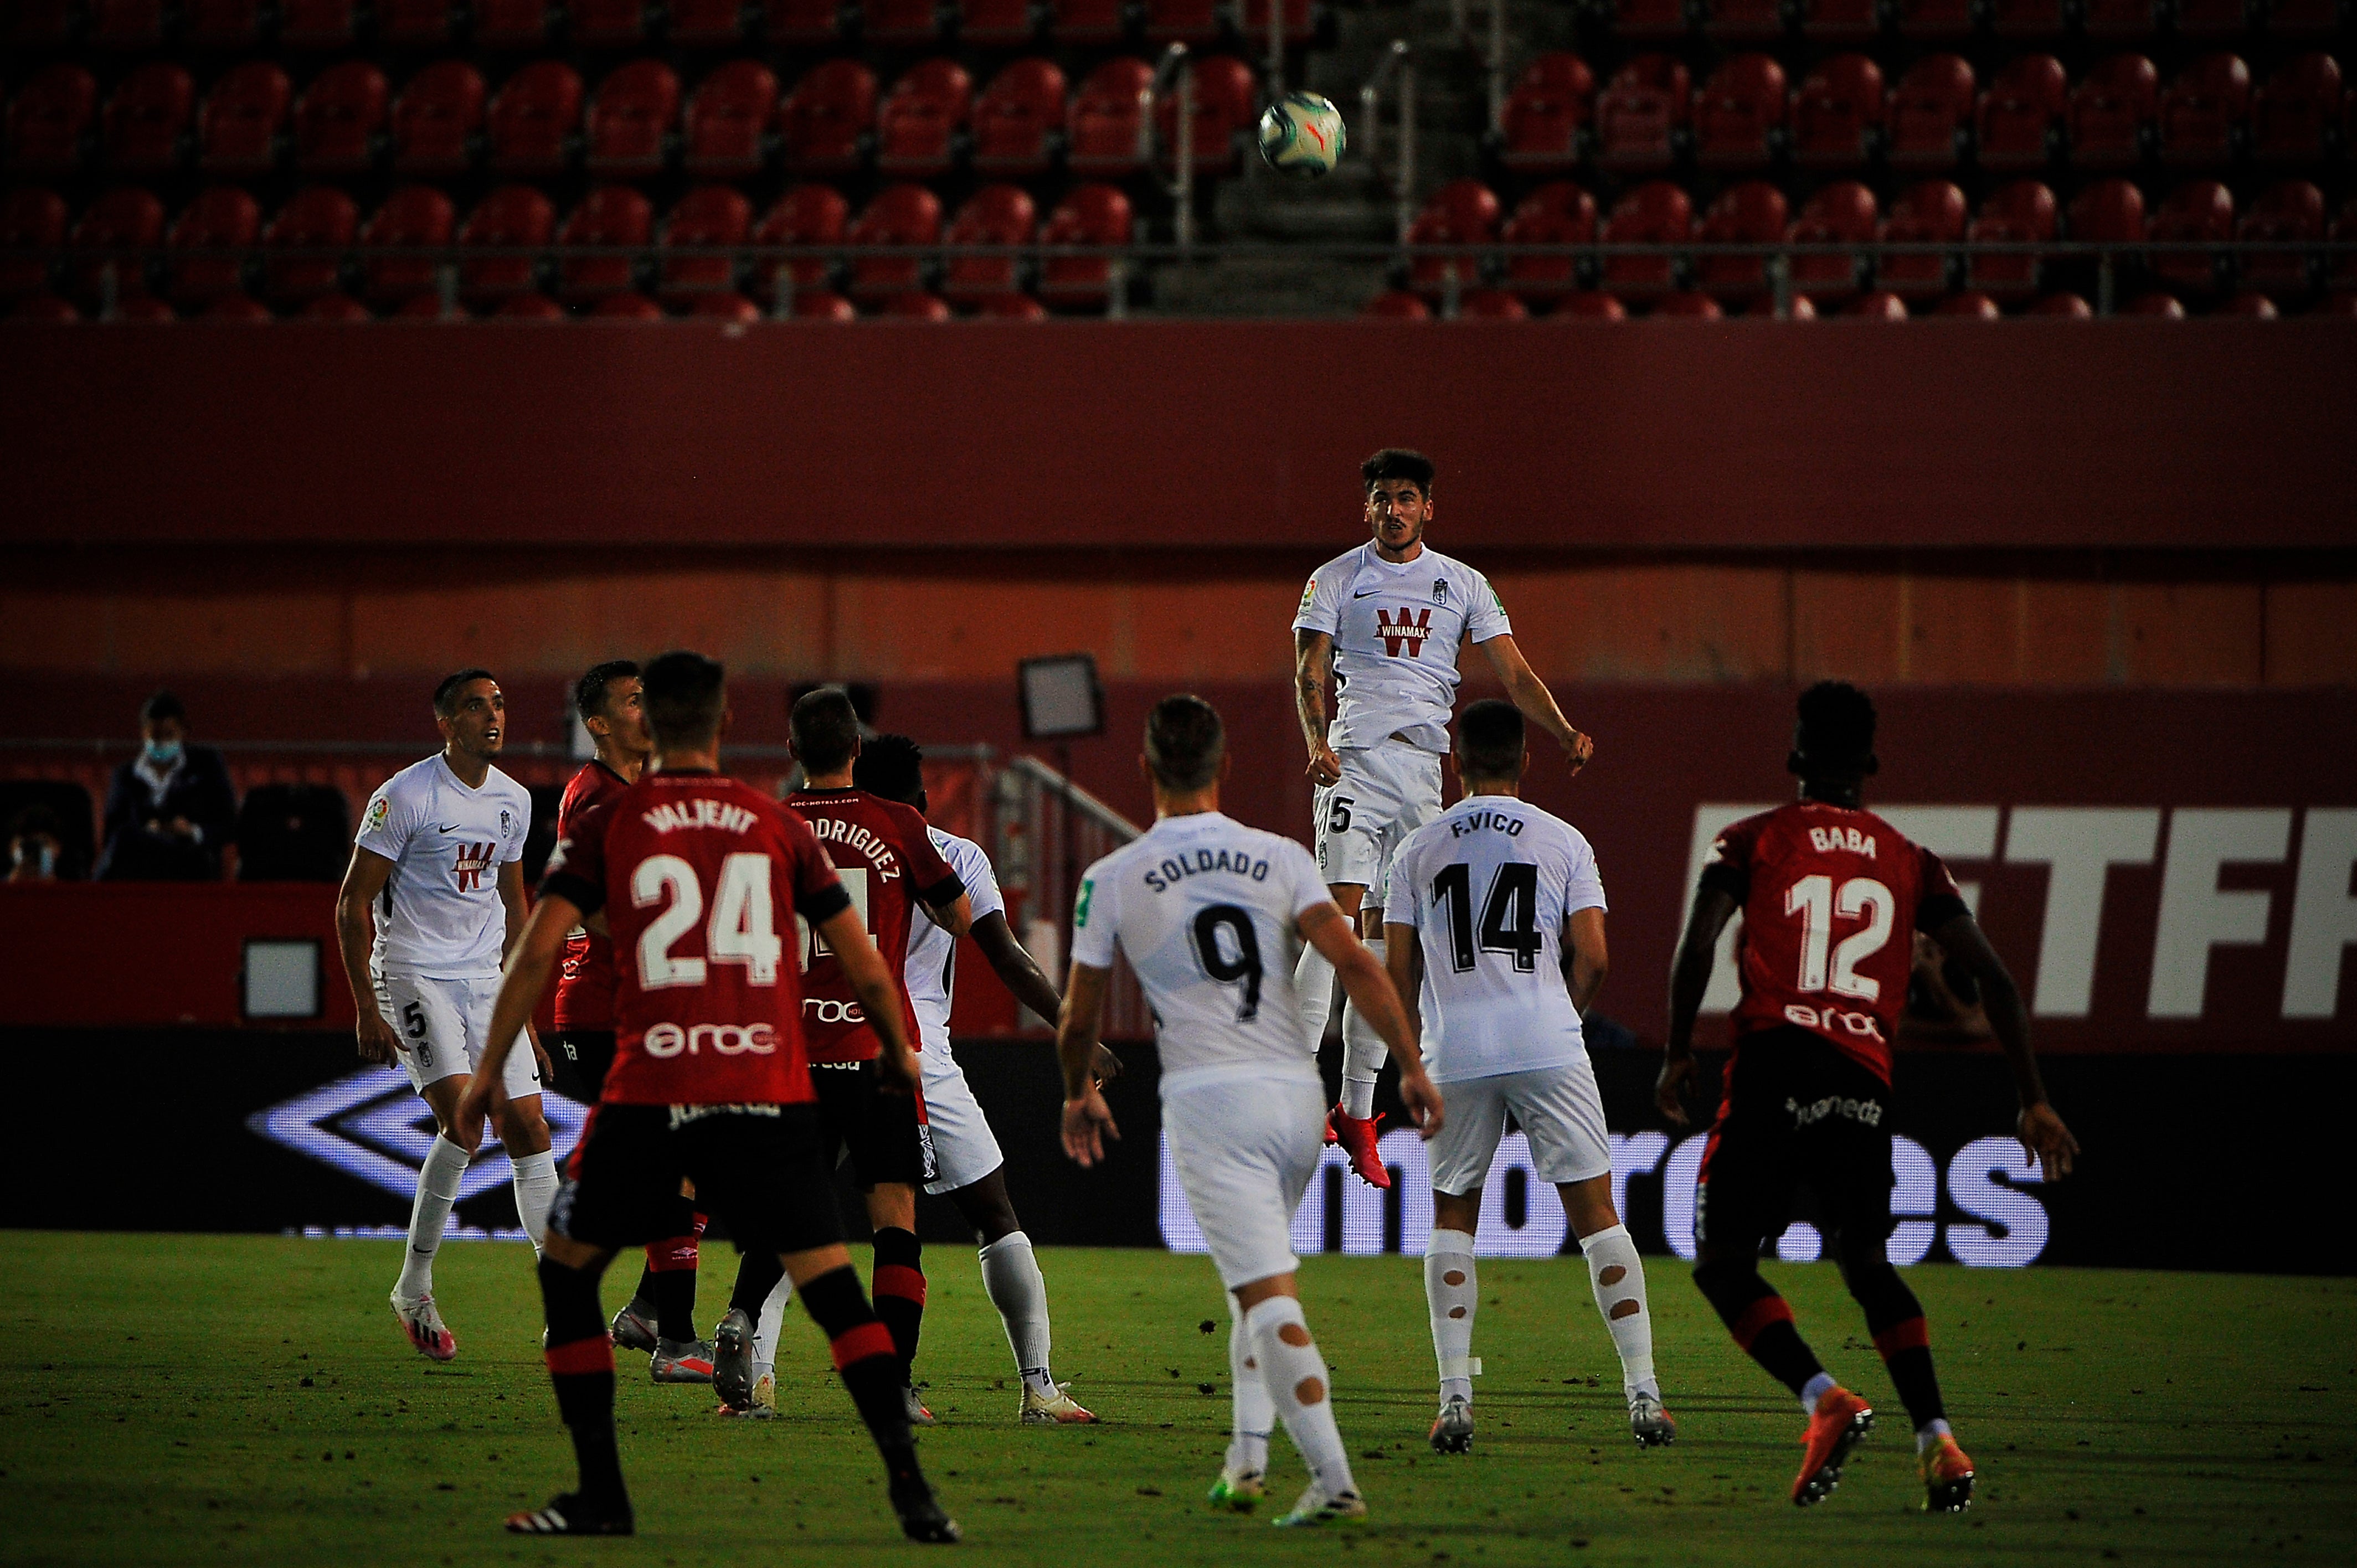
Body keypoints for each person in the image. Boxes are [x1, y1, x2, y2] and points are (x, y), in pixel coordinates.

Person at [452, 649, 958, 1542]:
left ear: (652, 725)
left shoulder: (614, 818)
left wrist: (490, 1071)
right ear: (725, 725)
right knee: (834, 1287)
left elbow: (537, 948)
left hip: (653, 1082)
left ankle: (601, 1491)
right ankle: (912, 1490)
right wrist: (897, 1052)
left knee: (568, 1275)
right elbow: (866, 959)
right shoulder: (772, 822)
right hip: (762, 1085)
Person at [1656, 681, 2081, 1513]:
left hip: (1778, 1063)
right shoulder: (1911, 860)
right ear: (1872, 764)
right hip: (1864, 1077)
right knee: (1868, 1262)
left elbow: (1696, 944)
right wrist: (2032, 1096)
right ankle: (1939, 1441)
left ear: (1796, 757)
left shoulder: (1752, 839)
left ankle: (1824, 1398)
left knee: (1722, 1261)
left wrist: (1677, 1052)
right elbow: (1993, 979)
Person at [1057, 694, 1441, 1528]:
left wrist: (1076, 1092)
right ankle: (1246, 1461)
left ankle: (1335, 1477)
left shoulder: (1112, 879)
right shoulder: (1281, 859)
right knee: (1253, 1285)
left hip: (1212, 1102)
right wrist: (1406, 1066)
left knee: (1269, 1298)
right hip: (1297, 1100)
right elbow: (1361, 967)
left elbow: (1079, 1017)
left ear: (1146, 769)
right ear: (1225, 766)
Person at [1291, 449, 1594, 1188]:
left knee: (1385, 941)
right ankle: (1293, 1089)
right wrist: (1317, 741)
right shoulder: (1333, 578)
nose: (1392, 509)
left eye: (1405, 498)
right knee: (1338, 919)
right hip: (1357, 762)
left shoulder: (1463, 584)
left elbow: (1514, 673)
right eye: (1380, 499)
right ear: (1364, 508)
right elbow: (1308, 670)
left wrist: (1560, 731)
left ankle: (1357, 1113)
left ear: (1428, 508)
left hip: (1426, 778)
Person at [1382, 700, 1674, 1454]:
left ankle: (1454, 1401)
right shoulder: (1564, 840)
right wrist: (1563, 1017)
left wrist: (1414, 1059)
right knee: (1598, 1217)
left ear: (1457, 762)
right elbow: (1596, 957)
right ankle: (1643, 1394)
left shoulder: (1416, 849)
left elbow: (1396, 971)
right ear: (1526, 762)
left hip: (1457, 1049)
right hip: (1548, 1039)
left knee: (1453, 1219)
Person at [721, 689, 972, 1422]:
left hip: (788, 1053)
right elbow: (957, 915)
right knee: (895, 1216)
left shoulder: (764, 823)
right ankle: (891, 1384)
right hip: (872, 1050)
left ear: (791, 751)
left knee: (789, 1208)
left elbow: (736, 937)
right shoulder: (896, 822)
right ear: (857, 750)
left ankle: (740, 1315)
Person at [850, 733, 1111, 1424]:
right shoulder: (957, 856)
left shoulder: (822, 848)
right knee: (994, 1216)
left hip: (822, 1050)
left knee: (795, 1218)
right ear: (921, 796)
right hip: (917, 1055)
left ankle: (756, 1377)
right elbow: (1008, 959)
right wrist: (1073, 1032)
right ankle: (1039, 1389)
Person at [333, 669, 555, 1363]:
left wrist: (529, 1012)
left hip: (487, 979)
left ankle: (564, 1303)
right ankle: (415, 1286)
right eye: (475, 706)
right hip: (413, 973)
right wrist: (366, 1006)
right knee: (465, 1120)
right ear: (446, 723)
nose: (493, 716)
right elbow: (351, 904)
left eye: (498, 703)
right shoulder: (404, 796)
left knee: (529, 1124)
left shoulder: (515, 801)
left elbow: (515, 905)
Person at [541, 660, 714, 1386]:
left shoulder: (647, 791)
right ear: (601, 724)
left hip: (639, 1009)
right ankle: (668, 1336)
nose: (648, 711)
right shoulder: (593, 795)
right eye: (633, 701)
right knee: (673, 1160)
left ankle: (646, 1312)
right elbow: (581, 901)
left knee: (678, 1162)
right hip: (605, 1007)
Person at [95, 690, 236, 881]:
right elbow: (113, 832)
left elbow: (229, 824)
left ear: (182, 732)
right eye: (155, 735)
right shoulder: (125, 776)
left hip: (192, 861)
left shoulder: (206, 765)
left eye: (169, 735)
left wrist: (193, 831)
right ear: (143, 732)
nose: (161, 742)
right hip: (140, 865)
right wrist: (147, 831)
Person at [6, 804, 65, 883]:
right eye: (25, 845)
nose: (33, 852)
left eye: (43, 843)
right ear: (11, 848)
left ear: (58, 847)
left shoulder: (75, 891)